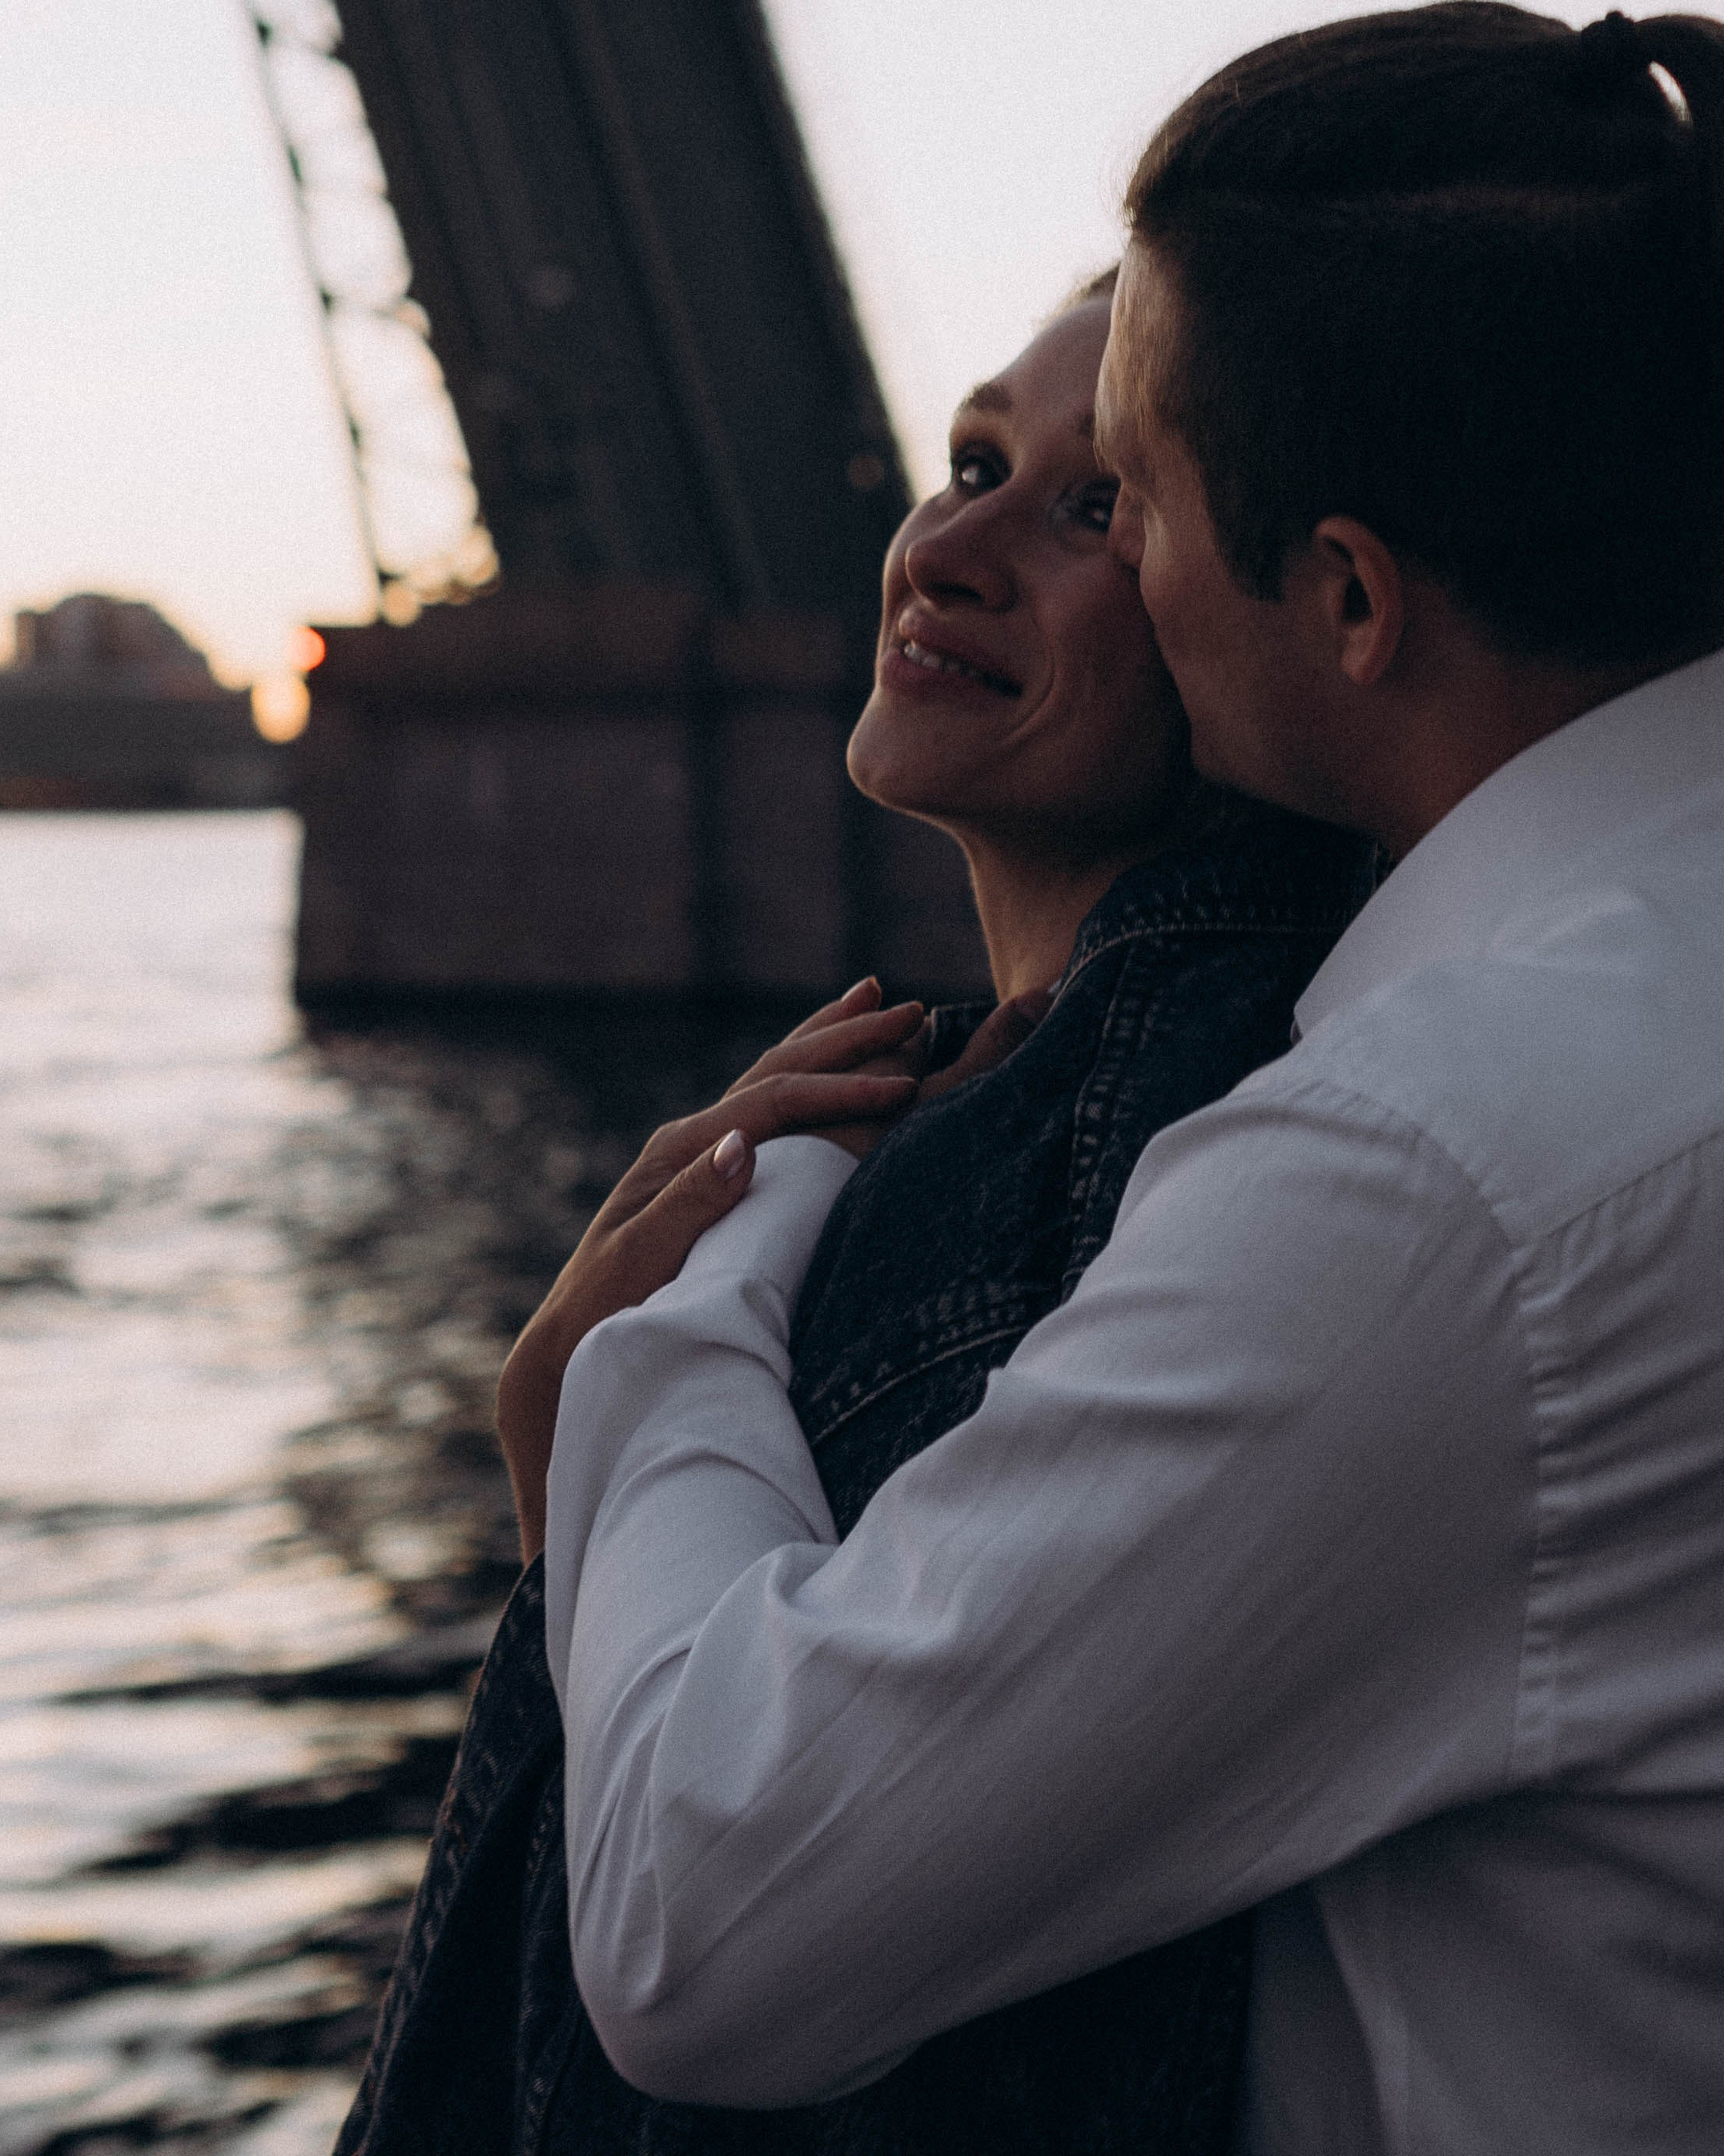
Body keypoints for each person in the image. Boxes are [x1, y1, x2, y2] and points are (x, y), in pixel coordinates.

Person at [532, 2, 1724, 2156]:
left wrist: (677, 1319)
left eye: (1131, 500)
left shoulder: (1435, 1175)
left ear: (1344, 599)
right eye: (974, 462)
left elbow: (701, 1922)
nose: (984, 549)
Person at [341, 279, 1375, 2154]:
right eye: (968, 464)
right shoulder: (1115, 1081)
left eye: (1092, 506)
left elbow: (687, 2012)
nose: (948, 551)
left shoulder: (1024, 1175)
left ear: (1277, 612)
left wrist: (592, 1419)